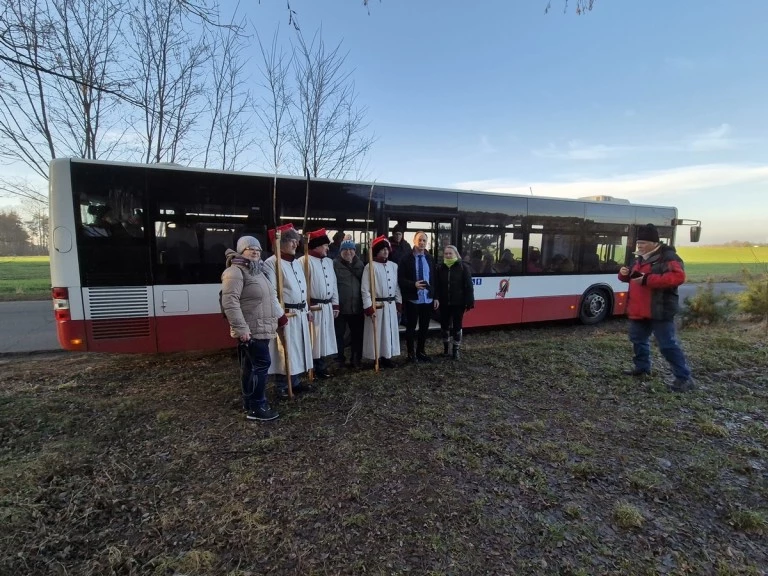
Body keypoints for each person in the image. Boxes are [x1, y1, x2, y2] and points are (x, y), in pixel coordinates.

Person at [619, 223, 694, 392]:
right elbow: (634, 277)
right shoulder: (638, 258)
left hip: (660, 310)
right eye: (639, 243)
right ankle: (642, 368)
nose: (639, 246)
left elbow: (677, 277)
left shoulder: (669, 258)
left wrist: (647, 280)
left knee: (667, 345)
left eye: (643, 243)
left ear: (654, 243)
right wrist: (623, 274)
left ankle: (684, 378)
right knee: (637, 340)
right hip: (639, 310)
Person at [221, 236, 287, 421]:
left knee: (251, 366)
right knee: (261, 365)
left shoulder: (257, 271)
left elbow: (269, 298)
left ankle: (249, 402)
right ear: (241, 251)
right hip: (251, 329)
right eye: (250, 248)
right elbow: (230, 303)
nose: (255, 251)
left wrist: (279, 317)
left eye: (258, 249)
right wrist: (242, 330)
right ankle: (257, 406)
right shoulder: (235, 272)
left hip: (262, 327)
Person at [263, 223, 314, 398]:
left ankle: (296, 381)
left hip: (300, 312)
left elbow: (302, 290)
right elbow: (271, 293)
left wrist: (307, 310)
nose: (295, 244)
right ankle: (282, 386)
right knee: (284, 350)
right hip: (286, 314)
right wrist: (280, 316)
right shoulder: (272, 263)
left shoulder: (296, 263)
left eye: (296, 241)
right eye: (292, 241)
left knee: (298, 347)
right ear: (281, 242)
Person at [299, 228, 339, 379]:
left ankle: (321, 367)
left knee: (323, 339)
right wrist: (307, 306)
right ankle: (311, 368)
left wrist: (335, 304)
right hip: (313, 307)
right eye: (325, 245)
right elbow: (301, 287)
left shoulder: (329, 262)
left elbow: (333, 283)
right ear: (316, 246)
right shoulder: (304, 261)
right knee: (313, 339)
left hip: (327, 306)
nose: (328, 248)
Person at [398, 231, 439, 362]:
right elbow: (400, 279)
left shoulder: (430, 258)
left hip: (427, 299)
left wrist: (436, 296)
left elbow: (434, 279)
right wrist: (413, 284)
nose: (422, 243)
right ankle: (410, 354)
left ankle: (421, 351)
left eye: (424, 241)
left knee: (424, 327)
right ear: (414, 241)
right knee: (411, 327)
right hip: (413, 299)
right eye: (419, 240)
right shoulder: (405, 259)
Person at [361, 235, 402, 368]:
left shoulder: (394, 266)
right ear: (377, 251)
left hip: (390, 305)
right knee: (378, 332)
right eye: (382, 249)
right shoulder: (370, 267)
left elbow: (396, 287)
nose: (385, 252)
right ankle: (376, 357)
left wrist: (398, 303)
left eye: (386, 249)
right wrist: (369, 307)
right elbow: (365, 290)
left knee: (388, 331)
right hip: (377, 305)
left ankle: (387, 356)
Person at [435, 245, 474, 360]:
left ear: (456, 254)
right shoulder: (440, 267)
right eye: (446, 253)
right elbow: (437, 285)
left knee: (457, 326)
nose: (447, 255)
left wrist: (469, 301)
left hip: (459, 302)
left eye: (450, 253)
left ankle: (456, 350)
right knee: (444, 326)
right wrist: (436, 297)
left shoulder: (463, 267)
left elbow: (469, 285)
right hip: (444, 302)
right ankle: (446, 349)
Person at [333, 237, 365, 369]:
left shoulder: (360, 265)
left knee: (357, 334)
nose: (348, 252)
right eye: (345, 249)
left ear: (355, 251)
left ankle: (356, 359)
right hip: (340, 307)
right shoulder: (334, 264)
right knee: (338, 335)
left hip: (356, 307)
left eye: (351, 249)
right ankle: (339, 360)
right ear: (340, 251)